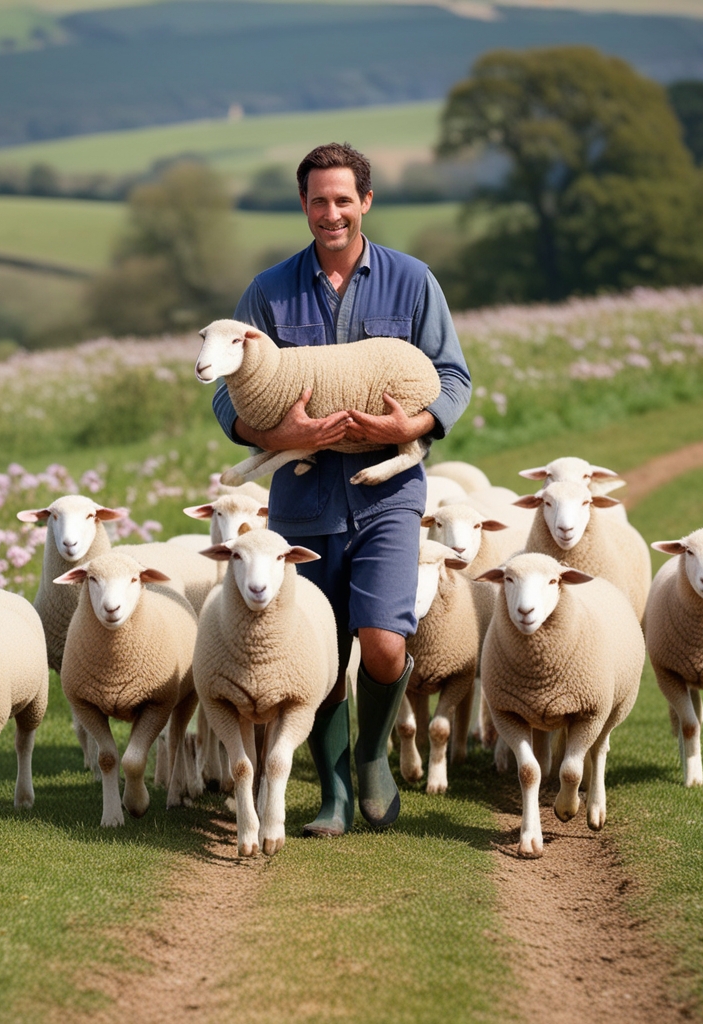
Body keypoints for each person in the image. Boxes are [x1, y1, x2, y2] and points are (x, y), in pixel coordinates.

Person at [212, 142, 471, 834]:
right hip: (302, 499)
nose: (332, 213)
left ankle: (374, 757)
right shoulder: (268, 294)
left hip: (388, 495)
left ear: (366, 203)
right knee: (316, 654)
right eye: (319, 200)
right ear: (304, 205)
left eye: (344, 200)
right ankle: (332, 794)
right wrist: (277, 436)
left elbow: (453, 379)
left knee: (384, 643)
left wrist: (412, 421)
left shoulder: (413, 282)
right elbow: (225, 398)